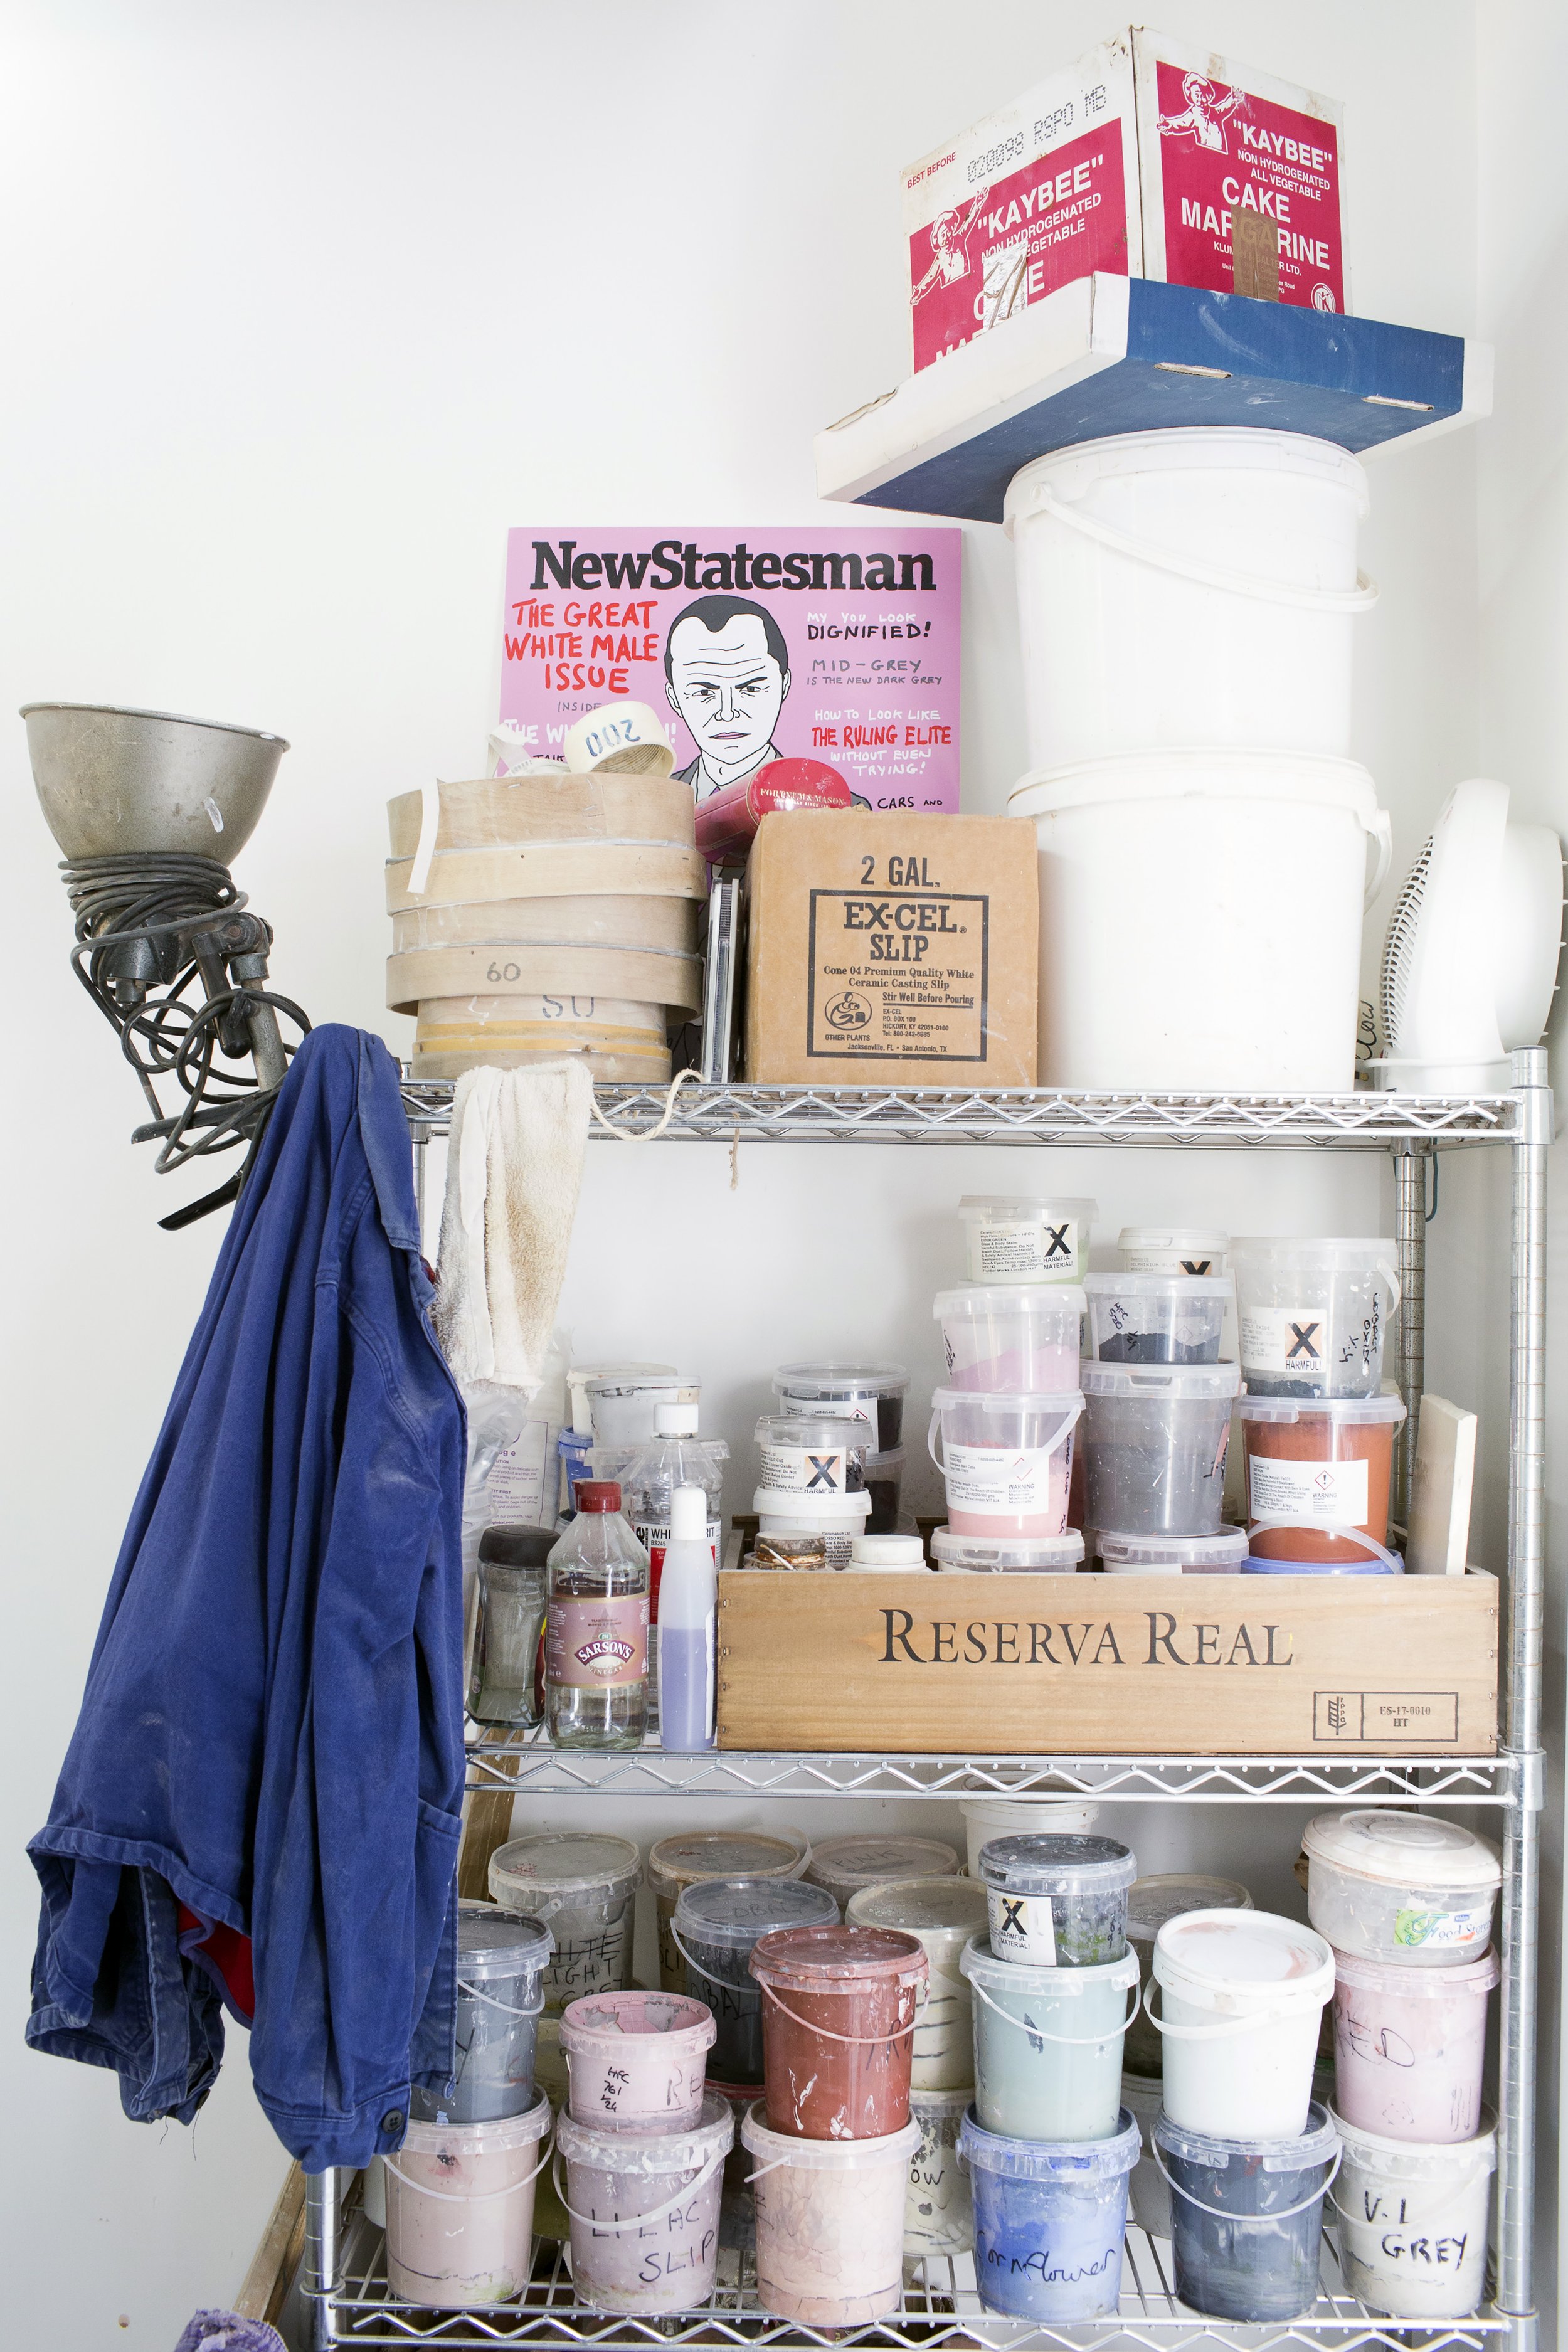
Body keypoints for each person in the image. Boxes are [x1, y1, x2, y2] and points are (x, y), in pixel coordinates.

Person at [664, 595, 792, 803]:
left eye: (751, 689)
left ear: (784, 685)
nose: (727, 713)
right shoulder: (651, 810)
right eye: (704, 693)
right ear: (675, 698)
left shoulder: (839, 809)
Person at [911, 191, 987, 307]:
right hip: (953, 300)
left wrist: (977, 204)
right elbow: (930, 278)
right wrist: (918, 293)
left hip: (969, 289)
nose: (948, 236)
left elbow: (968, 222)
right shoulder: (940, 259)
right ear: (937, 238)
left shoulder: (959, 240)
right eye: (944, 234)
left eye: (950, 232)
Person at [1158, 70, 1242, 154]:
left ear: (1208, 96)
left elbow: (1224, 106)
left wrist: (1233, 98)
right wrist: (1169, 125)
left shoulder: (1215, 112)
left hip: (1221, 157)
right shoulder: (1193, 115)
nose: (1200, 99)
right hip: (1205, 157)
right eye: (1196, 95)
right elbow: (1182, 122)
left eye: (1203, 95)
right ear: (1191, 97)